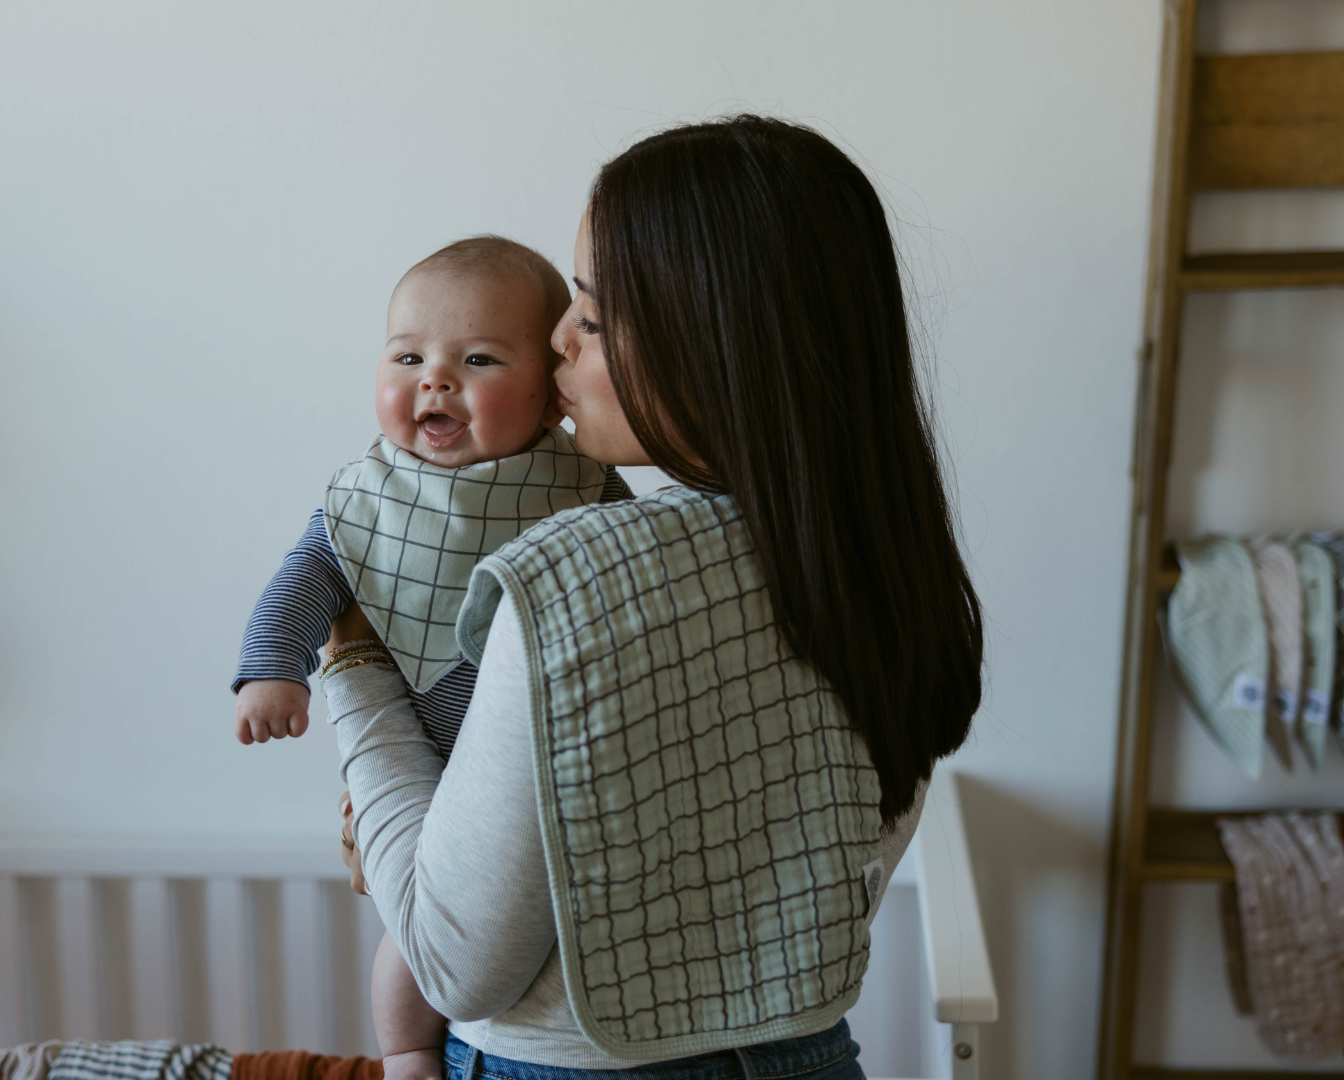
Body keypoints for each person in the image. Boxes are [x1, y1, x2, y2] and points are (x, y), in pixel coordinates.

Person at [323, 115, 984, 1080]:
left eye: (591, 318)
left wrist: (354, 664)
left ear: (714, 341)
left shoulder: (569, 580)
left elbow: (455, 961)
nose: (555, 339)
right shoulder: (885, 567)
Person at [230, 235, 630, 1080]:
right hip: (421, 766)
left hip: (540, 781)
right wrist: (273, 669)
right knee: (416, 939)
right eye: (408, 357)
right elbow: (304, 581)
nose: (435, 380)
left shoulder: (585, 486)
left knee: (532, 932)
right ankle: (408, 1051)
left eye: (478, 359)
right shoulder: (367, 497)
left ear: (552, 395)